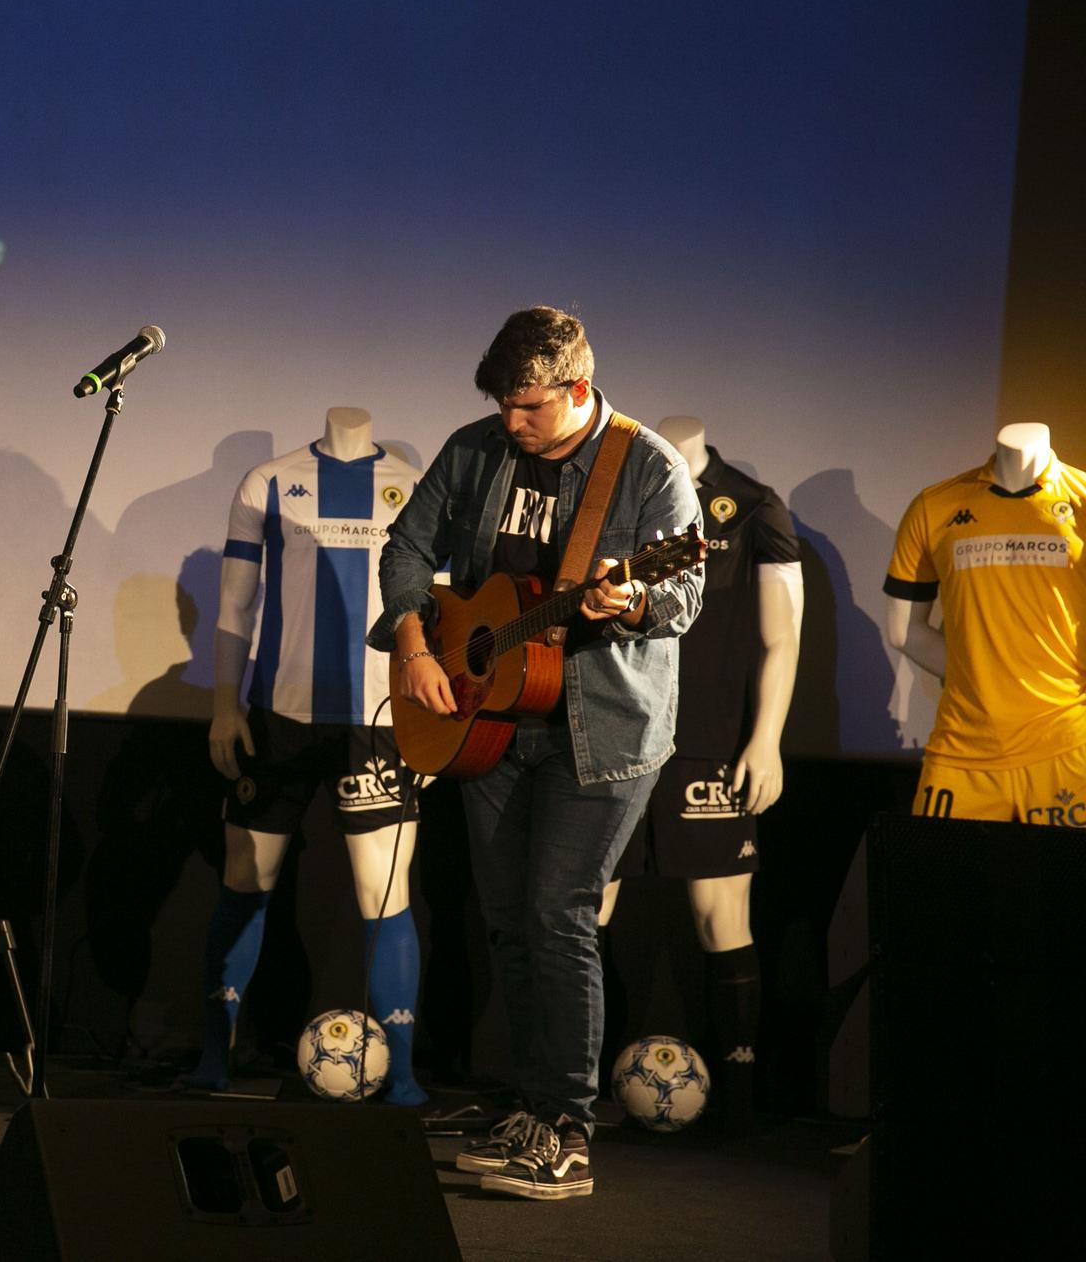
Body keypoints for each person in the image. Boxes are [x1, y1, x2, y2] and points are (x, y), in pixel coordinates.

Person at [370, 307, 701, 1200]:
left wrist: (625, 605)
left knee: (558, 914)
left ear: (578, 390)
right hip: (489, 723)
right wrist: (414, 644)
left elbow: (684, 598)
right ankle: (527, 1106)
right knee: (509, 922)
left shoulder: (647, 469)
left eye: (529, 409)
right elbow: (406, 548)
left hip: (603, 731)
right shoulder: (476, 449)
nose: (512, 424)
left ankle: (568, 1129)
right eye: (503, 405)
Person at [193, 407, 428, 1104]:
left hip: (378, 720)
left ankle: (404, 1075)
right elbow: (236, 608)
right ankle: (214, 1057)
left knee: (382, 890)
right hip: (281, 717)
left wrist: (435, 723)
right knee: (246, 877)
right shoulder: (268, 482)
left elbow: (437, 612)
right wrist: (225, 705)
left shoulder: (413, 486)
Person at [600, 416, 801, 1132]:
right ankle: (581, 1094)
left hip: (711, 744)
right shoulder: (616, 495)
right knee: (586, 917)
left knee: (723, 919)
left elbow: (782, 638)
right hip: (617, 736)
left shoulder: (752, 506)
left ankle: (740, 1102)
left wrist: (767, 739)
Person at [884, 422, 1086, 823]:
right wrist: (977, 674)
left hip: (1067, 747)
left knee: (1063, 885)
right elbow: (902, 629)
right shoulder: (935, 505)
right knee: (943, 884)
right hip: (962, 751)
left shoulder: (1080, 499)